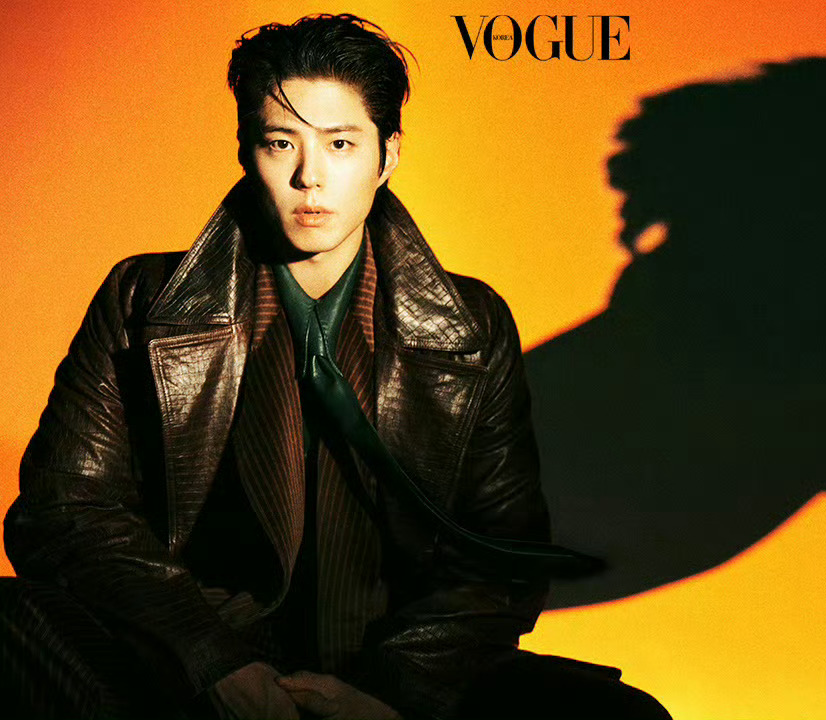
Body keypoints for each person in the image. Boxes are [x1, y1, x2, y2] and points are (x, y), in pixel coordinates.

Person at [1, 14, 671, 720]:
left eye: (340, 143)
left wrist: (388, 694)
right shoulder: (143, 298)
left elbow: (501, 553)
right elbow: (64, 510)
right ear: (245, 150)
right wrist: (213, 663)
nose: (309, 177)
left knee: (617, 716)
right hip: (190, 656)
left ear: (387, 156)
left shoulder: (470, 324)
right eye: (281, 143)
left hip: (393, 662)